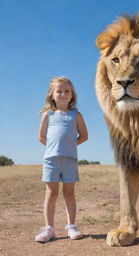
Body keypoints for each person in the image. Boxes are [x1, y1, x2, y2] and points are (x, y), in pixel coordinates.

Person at [35, 77, 88, 243]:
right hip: (51, 160)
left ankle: (71, 226)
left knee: (69, 193)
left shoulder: (76, 115)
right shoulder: (47, 115)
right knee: (51, 193)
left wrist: (70, 146)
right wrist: (54, 148)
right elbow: (41, 137)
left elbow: (84, 136)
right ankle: (49, 229)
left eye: (67, 91)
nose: (63, 94)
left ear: (72, 95)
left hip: (70, 160)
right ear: (52, 94)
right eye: (59, 91)